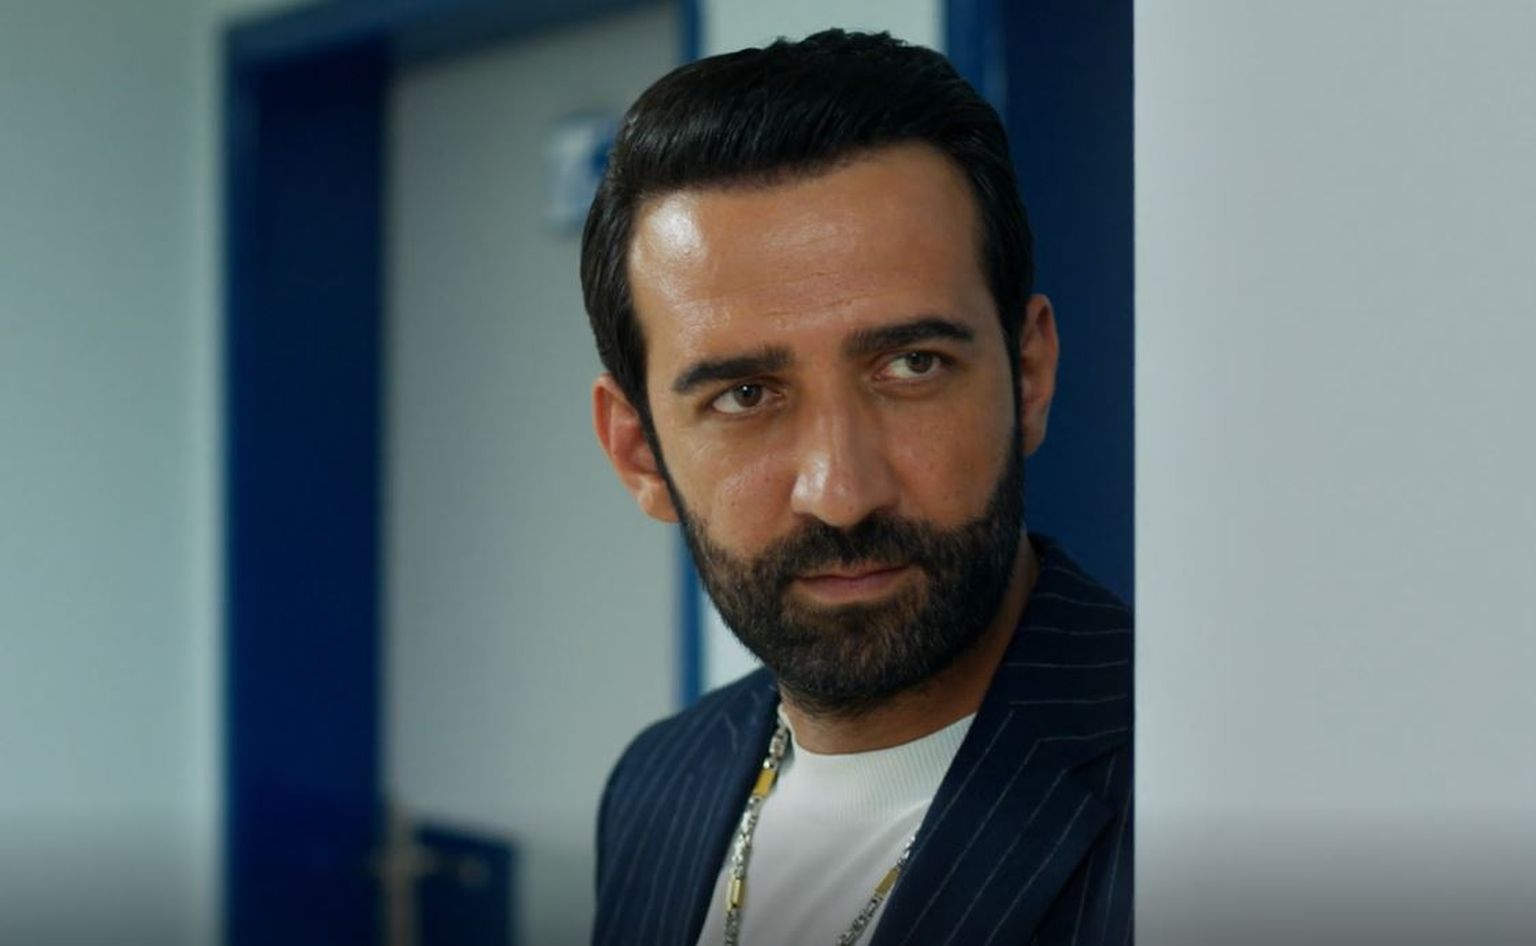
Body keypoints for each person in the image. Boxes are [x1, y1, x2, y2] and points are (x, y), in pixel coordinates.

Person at [580, 29, 1131, 946]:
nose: (841, 493)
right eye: (745, 395)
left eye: (912, 365)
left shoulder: (1224, 787)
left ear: (1029, 376)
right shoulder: (656, 783)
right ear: (639, 452)